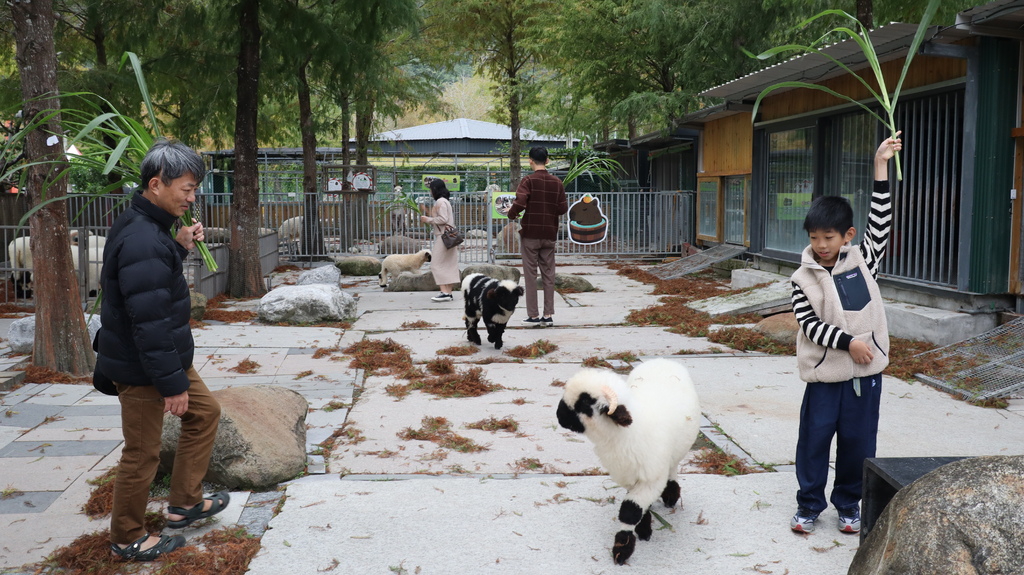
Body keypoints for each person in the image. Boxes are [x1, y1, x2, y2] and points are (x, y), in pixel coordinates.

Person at [97, 139, 229, 561]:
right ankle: (127, 536)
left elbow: (148, 282)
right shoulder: (143, 240)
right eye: (187, 189)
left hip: (162, 356)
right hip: (144, 365)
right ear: (156, 184)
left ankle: (185, 504)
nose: (192, 198)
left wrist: (180, 244)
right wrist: (172, 386)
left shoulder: (148, 227)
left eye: (194, 190)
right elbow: (149, 323)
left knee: (205, 412)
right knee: (142, 452)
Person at [789, 132, 903, 535]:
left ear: (847, 236)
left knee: (858, 444)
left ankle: (849, 505)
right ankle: (808, 506)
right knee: (814, 443)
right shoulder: (802, 278)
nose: (821, 245)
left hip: (865, 377)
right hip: (824, 377)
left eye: (829, 237)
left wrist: (880, 165)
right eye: (814, 238)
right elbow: (809, 324)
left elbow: (881, 217)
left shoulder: (865, 260)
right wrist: (849, 342)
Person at [506, 146, 568, 327]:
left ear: (530, 160)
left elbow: (520, 202)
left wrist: (512, 214)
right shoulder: (557, 182)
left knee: (531, 275)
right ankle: (548, 315)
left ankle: (533, 315)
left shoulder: (528, 181)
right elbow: (563, 208)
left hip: (530, 234)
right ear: (547, 160)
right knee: (549, 275)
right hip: (549, 233)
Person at [420, 178, 460, 302]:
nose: (430, 192)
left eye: (431, 189)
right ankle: (448, 292)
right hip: (450, 236)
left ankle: (444, 292)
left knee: (436, 264)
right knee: (449, 264)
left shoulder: (440, 202)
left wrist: (428, 220)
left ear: (435, 189)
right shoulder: (445, 201)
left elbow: (443, 219)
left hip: (443, 237)